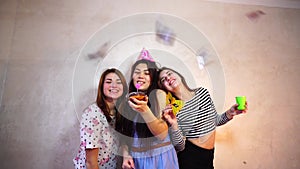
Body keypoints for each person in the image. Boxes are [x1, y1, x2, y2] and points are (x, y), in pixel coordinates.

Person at [158, 67, 248, 169]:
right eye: (163, 80)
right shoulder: (173, 110)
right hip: (190, 158)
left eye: (169, 74)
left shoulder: (202, 93)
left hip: (209, 156)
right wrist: (173, 124)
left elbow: (215, 121)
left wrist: (230, 113)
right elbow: (180, 146)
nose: (168, 78)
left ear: (178, 75)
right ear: (164, 88)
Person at [118, 48, 180, 169]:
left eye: (146, 73)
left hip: (160, 159)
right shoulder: (127, 101)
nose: (141, 76)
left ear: (152, 78)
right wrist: (126, 154)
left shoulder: (158, 95)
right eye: (137, 72)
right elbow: (125, 136)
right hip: (138, 161)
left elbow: (162, 134)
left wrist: (145, 110)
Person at [73, 68, 128, 169]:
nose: (114, 85)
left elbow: (123, 138)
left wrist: (126, 155)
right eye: (109, 82)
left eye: (118, 82)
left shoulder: (118, 113)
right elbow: (91, 162)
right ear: (102, 87)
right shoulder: (92, 114)